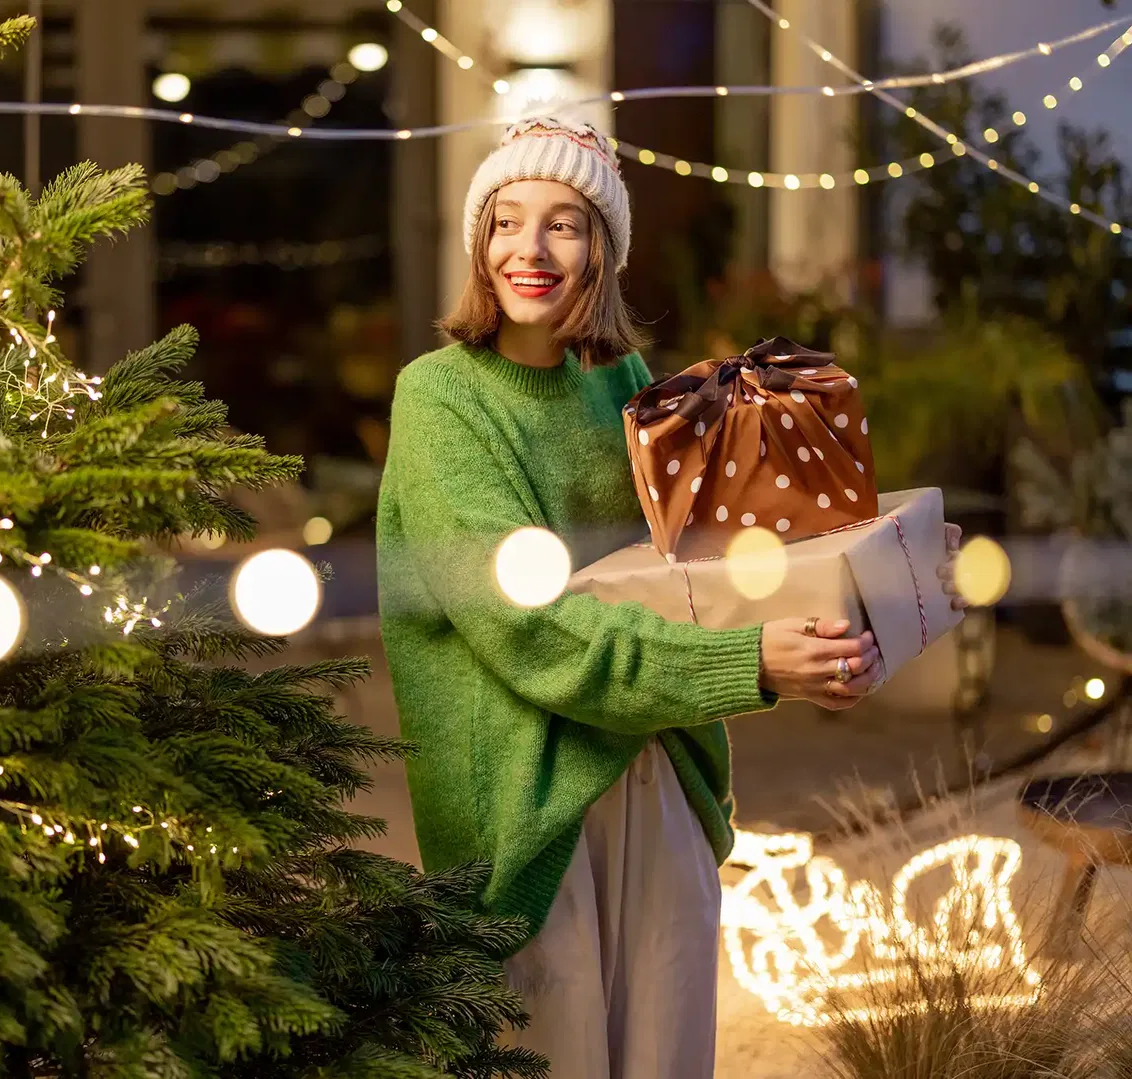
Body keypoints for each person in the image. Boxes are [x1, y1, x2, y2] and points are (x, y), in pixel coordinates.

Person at [374, 117, 966, 1078]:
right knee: (554, 1048)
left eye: (565, 224)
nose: (531, 250)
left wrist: (879, 573)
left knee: (667, 1052)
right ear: (477, 243)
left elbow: (719, 560)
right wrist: (753, 663)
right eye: (507, 221)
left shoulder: (624, 385)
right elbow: (532, 631)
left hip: (658, 768)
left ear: (602, 250)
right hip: (532, 803)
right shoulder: (441, 398)